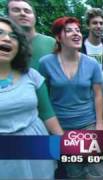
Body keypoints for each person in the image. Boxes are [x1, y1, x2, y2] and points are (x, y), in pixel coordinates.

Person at [39, 17, 103, 179]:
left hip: (88, 124)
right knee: (74, 172)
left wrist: (99, 123)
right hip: (62, 127)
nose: (76, 34)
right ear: (58, 37)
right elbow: (44, 98)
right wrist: (54, 130)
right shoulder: (45, 63)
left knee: (97, 172)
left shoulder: (91, 64)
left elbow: (98, 94)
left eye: (78, 30)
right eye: (69, 30)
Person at [0, 16, 63, 179]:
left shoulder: (31, 75)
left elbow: (48, 114)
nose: (7, 38)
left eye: (13, 36)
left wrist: (65, 148)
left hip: (37, 149)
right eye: (0, 33)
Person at [6, 0, 60, 130]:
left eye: (27, 11)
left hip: (52, 116)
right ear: (7, 17)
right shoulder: (4, 48)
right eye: (16, 10)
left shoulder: (51, 43)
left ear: (34, 17)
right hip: (12, 120)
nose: (22, 14)